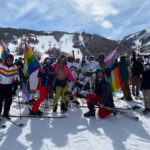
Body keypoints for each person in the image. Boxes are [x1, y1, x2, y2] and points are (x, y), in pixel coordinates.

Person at [0, 54, 19, 119]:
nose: (9, 61)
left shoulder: (14, 67)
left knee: (9, 100)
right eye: (8, 60)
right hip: (1, 85)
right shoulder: (1, 65)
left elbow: (16, 75)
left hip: (9, 86)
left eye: (11, 60)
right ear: (6, 59)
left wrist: (16, 79)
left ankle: (5, 113)